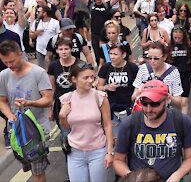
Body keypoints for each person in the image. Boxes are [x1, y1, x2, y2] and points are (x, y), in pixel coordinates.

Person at [113, 80, 191, 181]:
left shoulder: (181, 121)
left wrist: (176, 176)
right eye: (144, 103)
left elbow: (190, 158)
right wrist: (135, 178)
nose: (148, 109)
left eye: (155, 104)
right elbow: (118, 160)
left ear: (167, 100)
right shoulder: (129, 124)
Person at [0, 40, 53, 182]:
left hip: (38, 131)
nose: (9, 66)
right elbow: (2, 101)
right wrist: (10, 116)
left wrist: (30, 103)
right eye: (5, 62)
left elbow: (48, 99)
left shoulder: (38, 73)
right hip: (17, 132)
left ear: (21, 54)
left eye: (12, 61)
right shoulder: (4, 75)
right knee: (28, 165)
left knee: (38, 172)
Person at [59, 63, 114, 182]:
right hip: (75, 152)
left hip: (98, 151)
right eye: (85, 78)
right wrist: (62, 116)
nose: (90, 81)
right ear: (74, 79)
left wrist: (110, 152)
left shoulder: (100, 97)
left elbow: (108, 125)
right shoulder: (66, 99)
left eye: (92, 77)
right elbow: (67, 127)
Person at [97, 43, 139, 139]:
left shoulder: (132, 68)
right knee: (116, 138)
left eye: (115, 54)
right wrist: (107, 87)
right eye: (110, 54)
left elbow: (139, 86)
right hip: (112, 109)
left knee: (131, 137)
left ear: (123, 55)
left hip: (129, 108)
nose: (112, 57)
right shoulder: (106, 67)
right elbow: (99, 87)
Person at [132, 42, 184, 112]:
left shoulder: (173, 72)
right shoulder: (143, 68)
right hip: (146, 114)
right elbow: (133, 97)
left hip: (165, 114)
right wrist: (142, 89)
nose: (152, 61)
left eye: (156, 58)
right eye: (149, 58)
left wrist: (165, 94)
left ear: (164, 57)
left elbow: (179, 102)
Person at [167, 26, 191, 114]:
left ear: (183, 36)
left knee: (184, 101)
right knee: (175, 100)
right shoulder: (169, 47)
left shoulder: (188, 46)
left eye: (179, 37)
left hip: (186, 74)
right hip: (173, 76)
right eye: (175, 38)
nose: (177, 40)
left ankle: (184, 121)